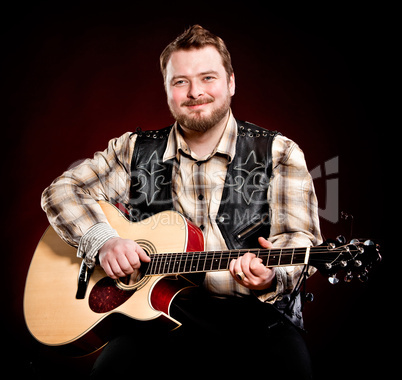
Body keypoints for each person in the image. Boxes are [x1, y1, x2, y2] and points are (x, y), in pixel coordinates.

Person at [41, 25, 322, 379]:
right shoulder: (132, 150)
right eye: (180, 82)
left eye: (208, 77)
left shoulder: (279, 153)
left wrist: (270, 276)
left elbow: (300, 239)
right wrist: (103, 241)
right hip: (153, 320)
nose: (195, 92)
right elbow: (61, 191)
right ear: (167, 89)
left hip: (255, 321)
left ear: (231, 82)